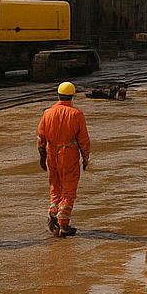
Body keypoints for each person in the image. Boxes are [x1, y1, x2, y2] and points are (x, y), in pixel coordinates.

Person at [38, 81, 91, 237]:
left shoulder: (47, 113)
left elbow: (40, 137)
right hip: (68, 154)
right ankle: (63, 224)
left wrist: (42, 156)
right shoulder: (76, 114)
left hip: (51, 153)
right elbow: (83, 140)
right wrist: (86, 157)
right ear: (72, 95)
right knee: (68, 189)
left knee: (55, 186)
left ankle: (53, 211)